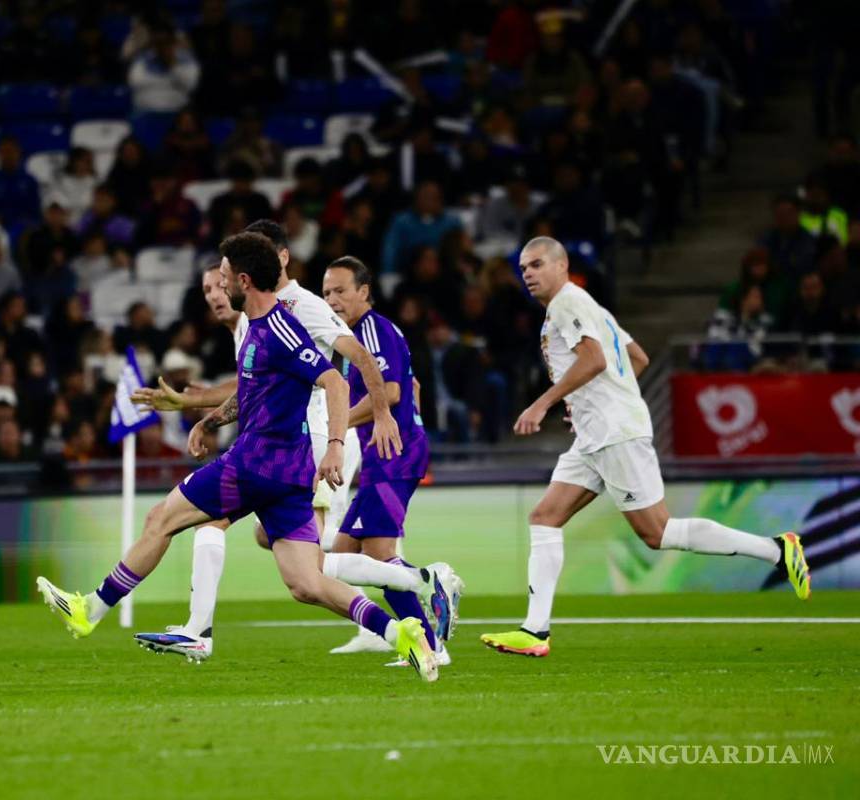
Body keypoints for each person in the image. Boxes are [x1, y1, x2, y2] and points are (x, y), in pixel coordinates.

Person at [37, 232, 440, 681]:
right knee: (308, 583)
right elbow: (254, 395)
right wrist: (209, 419)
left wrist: (336, 445)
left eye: (224, 276)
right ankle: (400, 632)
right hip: (286, 475)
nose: (218, 285)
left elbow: (336, 381)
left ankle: (90, 609)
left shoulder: (282, 328)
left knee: (162, 520)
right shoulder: (260, 327)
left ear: (244, 280)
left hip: (255, 464)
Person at [480, 237, 812, 658]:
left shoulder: (567, 304)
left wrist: (543, 403)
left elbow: (596, 360)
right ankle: (535, 630)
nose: (527, 272)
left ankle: (776, 549)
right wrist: (595, 400)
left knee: (658, 533)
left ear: (561, 265)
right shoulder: (590, 307)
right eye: (523, 267)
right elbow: (636, 358)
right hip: (596, 433)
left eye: (537, 264)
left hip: (615, 434)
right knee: (545, 516)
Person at [322, 256, 460, 665]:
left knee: (379, 556)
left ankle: (429, 584)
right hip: (386, 454)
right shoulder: (355, 335)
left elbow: (394, 390)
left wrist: (338, 424)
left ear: (364, 292)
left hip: (393, 454)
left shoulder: (370, 331)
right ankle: (420, 638)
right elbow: (411, 384)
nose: (332, 299)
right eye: (327, 292)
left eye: (341, 290)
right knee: (344, 556)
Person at [381, 180, 461, 274]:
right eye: (426, 197)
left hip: (445, 274)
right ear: (416, 199)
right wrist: (389, 274)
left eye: (434, 198)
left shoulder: (452, 222)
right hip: (407, 275)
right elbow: (390, 251)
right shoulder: (401, 222)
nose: (430, 202)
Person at [126, 21, 201, 114]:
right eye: (158, 43)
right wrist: (171, 82)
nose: (161, 47)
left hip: (177, 115)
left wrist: (172, 64)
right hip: (145, 114)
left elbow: (191, 85)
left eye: (165, 42)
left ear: (173, 42)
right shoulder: (142, 59)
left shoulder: (187, 59)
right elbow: (134, 82)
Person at [0, 136, 41, 228]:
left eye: (11, 151)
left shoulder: (29, 181)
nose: (8, 156)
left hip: (24, 229)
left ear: (18, 153)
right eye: (4, 152)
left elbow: (35, 212)